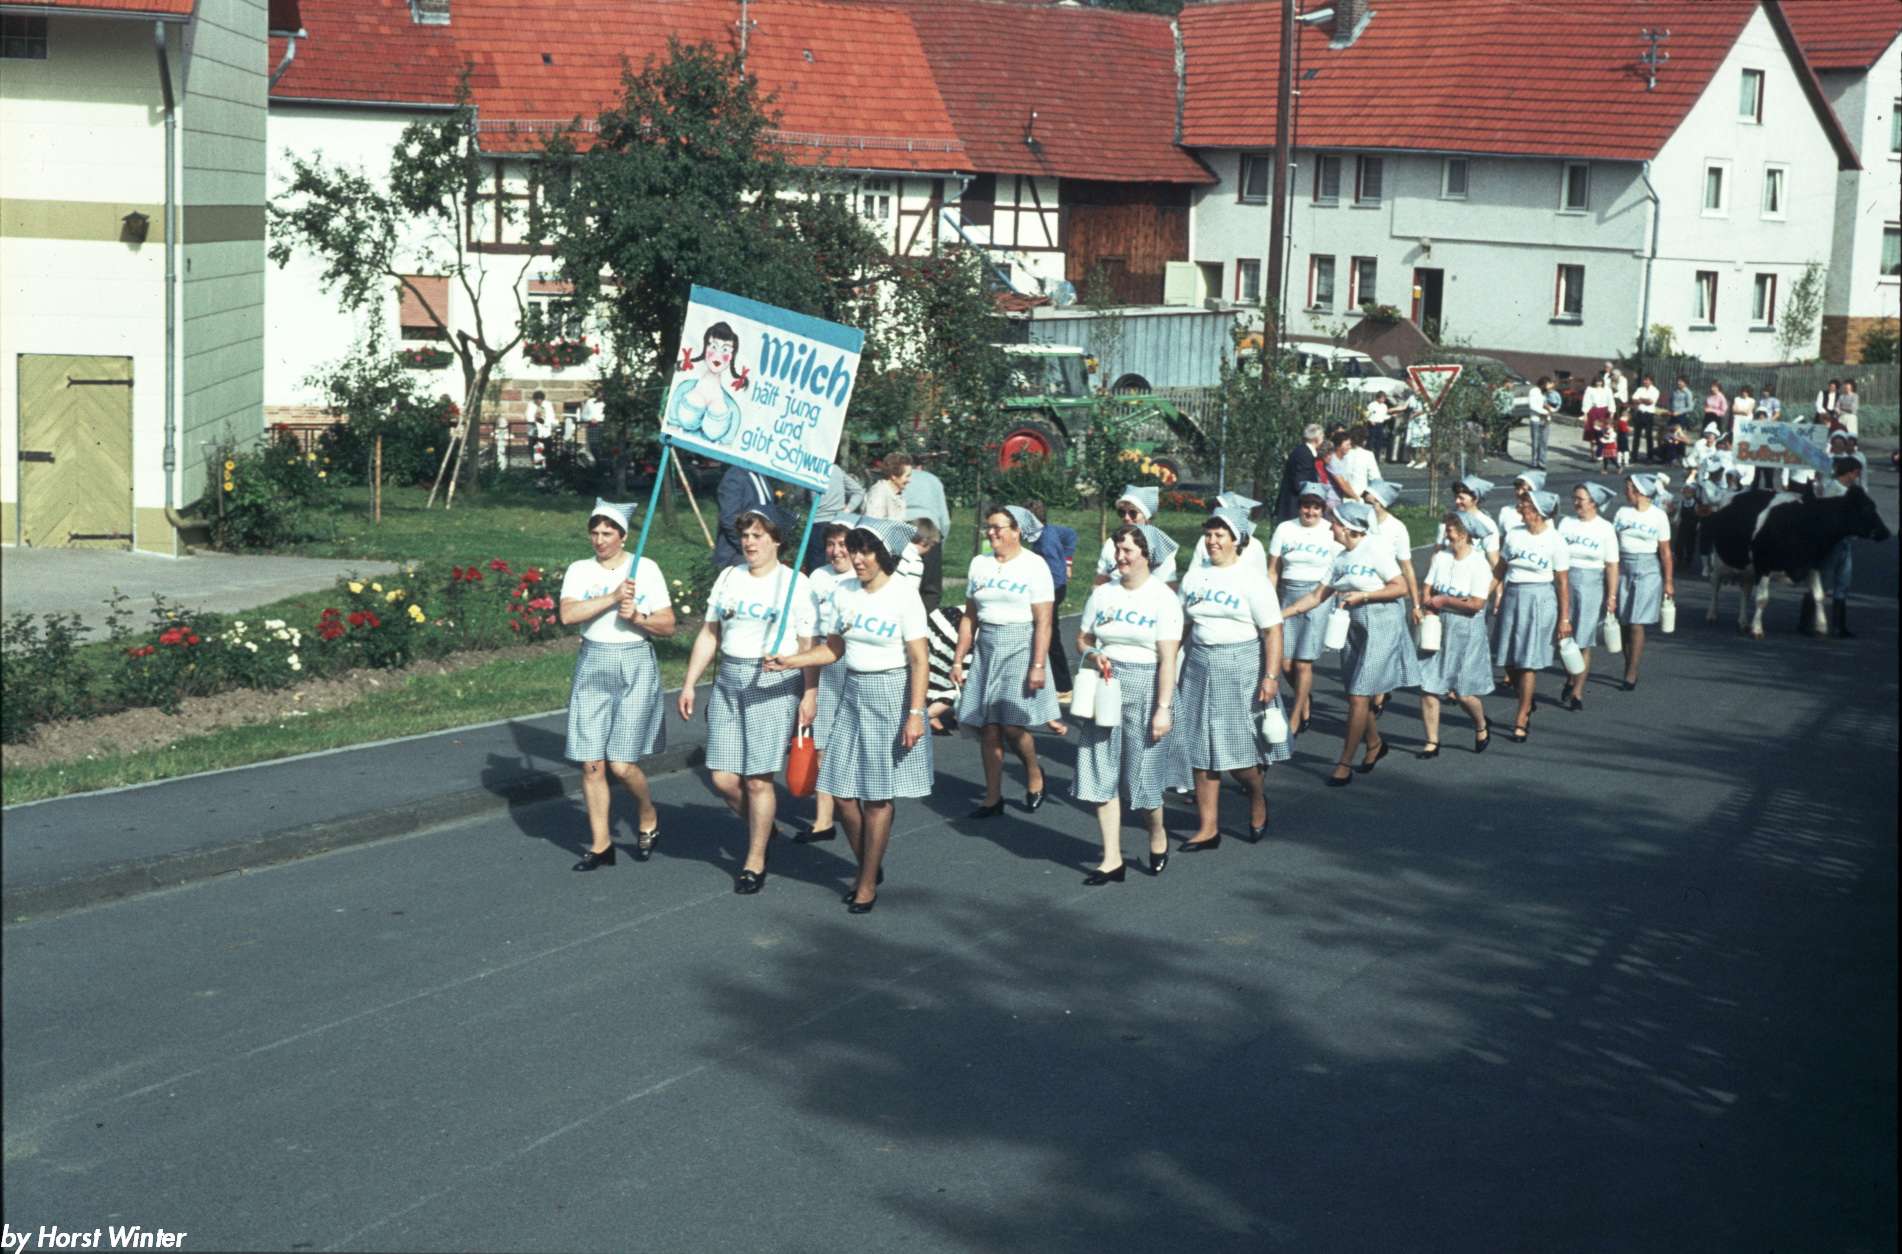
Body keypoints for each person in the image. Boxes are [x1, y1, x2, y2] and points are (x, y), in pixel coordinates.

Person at [764, 518, 932, 915]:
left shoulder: (904, 595)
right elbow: (834, 649)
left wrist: (915, 713)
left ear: (884, 555)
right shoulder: (844, 592)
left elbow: (919, 660)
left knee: (877, 797)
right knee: (841, 793)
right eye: (854, 550)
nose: (857, 558)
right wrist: (791, 661)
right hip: (853, 693)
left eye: (865, 551)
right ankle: (869, 862)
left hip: (891, 694)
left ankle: (866, 882)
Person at [676, 509, 818, 894]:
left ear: (777, 540)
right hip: (729, 679)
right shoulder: (729, 577)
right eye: (745, 535)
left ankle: (755, 859)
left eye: (758, 535)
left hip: (774, 680)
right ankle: (763, 825)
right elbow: (710, 634)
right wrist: (689, 684)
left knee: (757, 780)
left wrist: (810, 694)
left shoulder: (795, 583)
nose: (749, 542)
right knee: (723, 778)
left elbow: (808, 645)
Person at [559, 499, 677, 870]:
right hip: (593, 661)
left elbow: (668, 625)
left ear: (623, 536)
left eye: (607, 533)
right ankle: (601, 845)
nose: (600, 540)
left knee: (622, 765)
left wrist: (638, 617)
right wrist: (611, 598)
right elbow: (568, 614)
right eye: (594, 533)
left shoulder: (646, 568)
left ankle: (647, 813)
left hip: (634, 662)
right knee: (592, 764)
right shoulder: (580, 570)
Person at [1073, 524, 1183, 883]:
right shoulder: (1103, 594)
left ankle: (1157, 833)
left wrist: (1163, 708)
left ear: (1146, 556)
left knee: (1142, 780)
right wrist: (1092, 653)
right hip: (1106, 685)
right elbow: (1083, 638)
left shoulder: (1163, 598)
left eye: (1128, 551)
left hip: (1147, 686)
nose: (1120, 557)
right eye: (1117, 550)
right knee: (1101, 769)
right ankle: (1112, 858)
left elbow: (1168, 659)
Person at [1174, 507, 1285, 853]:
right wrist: (1166, 662)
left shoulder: (1251, 580)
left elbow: (1273, 630)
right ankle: (1208, 828)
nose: (1212, 541)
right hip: (1198, 665)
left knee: (1238, 753)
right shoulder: (1194, 577)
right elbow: (1182, 625)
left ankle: (1256, 795)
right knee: (1199, 748)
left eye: (1220, 535)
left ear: (1236, 540)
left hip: (1241, 665)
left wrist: (1271, 676)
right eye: (1208, 534)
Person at [1281, 501, 1414, 786]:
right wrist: (1280, 615)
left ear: (1348, 527)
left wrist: (1364, 596)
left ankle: (1344, 763)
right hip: (1352, 625)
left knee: (1358, 696)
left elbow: (1400, 587)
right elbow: (1315, 597)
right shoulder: (1340, 557)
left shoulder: (1375, 549)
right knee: (1356, 691)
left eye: (1335, 522)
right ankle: (1375, 743)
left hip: (1382, 623)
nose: (1330, 526)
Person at [952, 505, 1060, 818]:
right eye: (989, 527)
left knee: (1012, 726)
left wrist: (1038, 665)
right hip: (987, 646)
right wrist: (958, 659)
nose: (991, 533)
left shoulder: (1034, 565)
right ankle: (992, 797)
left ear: (1017, 532)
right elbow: (970, 617)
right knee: (989, 727)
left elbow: (1044, 621)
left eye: (998, 527)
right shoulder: (979, 563)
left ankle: (1034, 772)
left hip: (1020, 645)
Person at [1489, 489, 1571, 741]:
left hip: (1540, 599)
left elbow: (1562, 582)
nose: (1519, 509)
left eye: (1524, 506)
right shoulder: (1515, 534)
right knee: (1507, 659)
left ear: (1537, 512)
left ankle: (1522, 716)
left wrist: (1564, 618)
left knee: (1527, 661)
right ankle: (1525, 698)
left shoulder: (1555, 540)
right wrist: (1483, 597)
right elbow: (1500, 570)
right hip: (1513, 596)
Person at [794, 519, 857, 844]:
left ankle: (857, 804)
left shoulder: (863, 577)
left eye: (843, 544)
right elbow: (809, 629)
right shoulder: (818, 577)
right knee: (822, 743)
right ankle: (823, 820)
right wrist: (810, 690)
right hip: (823, 659)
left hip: (856, 660)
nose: (836, 551)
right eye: (831, 544)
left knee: (855, 742)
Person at [1414, 511, 1495, 758]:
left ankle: (1481, 724)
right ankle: (1432, 741)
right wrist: (1425, 605)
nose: (1446, 534)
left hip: (1466, 627)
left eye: (1449, 529)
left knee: (1463, 692)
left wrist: (1446, 600)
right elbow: (1427, 586)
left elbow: (1476, 604)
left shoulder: (1479, 563)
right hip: (1437, 624)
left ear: (1463, 533)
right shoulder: (1441, 557)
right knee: (1428, 685)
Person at [1266, 483, 1344, 735]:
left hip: (1317, 596)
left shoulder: (1330, 532)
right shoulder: (1285, 529)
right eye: (1306, 506)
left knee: (1302, 663)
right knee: (1285, 662)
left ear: (1323, 508)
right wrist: (1269, 599)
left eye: (1316, 507)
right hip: (1288, 594)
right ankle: (1304, 697)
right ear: (1299, 506)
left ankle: (1296, 716)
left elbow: (1339, 568)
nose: (1310, 512)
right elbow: (1273, 569)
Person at [1557, 483, 1620, 711]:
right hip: (1564, 582)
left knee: (1583, 640)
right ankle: (1570, 676)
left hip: (1591, 585)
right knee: (1563, 637)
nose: (1575, 503)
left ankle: (1577, 692)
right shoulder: (1566, 523)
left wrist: (1611, 596)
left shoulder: (1605, 528)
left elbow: (1612, 565)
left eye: (1580, 499)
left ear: (1593, 502)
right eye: (1574, 498)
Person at [1364, 478, 1421, 716]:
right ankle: (1373, 689)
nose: (1366, 505)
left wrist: (1416, 604)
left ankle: (1378, 693)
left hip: (1389, 593)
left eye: (1371, 501)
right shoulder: (1361, 523)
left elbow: (1407, 567)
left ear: (1381, 503)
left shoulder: (1397, 528)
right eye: (1365, 501)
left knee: (1384, 649)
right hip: (1364, 592)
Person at [1613, 473, 1675, 691]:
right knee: (1623, 621)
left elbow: (1665, 552)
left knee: (1636, 622)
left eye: (1628, 488)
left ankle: (1632, 671)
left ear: (1639, 491)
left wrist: (1668, 582)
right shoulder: (1622, 512)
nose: (1625, 492)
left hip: (1648, 569)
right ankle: (1628, 662)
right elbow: (1612, 543)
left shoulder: (1658, 516)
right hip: (1623, 566)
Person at [1026, 498, 1078, 700]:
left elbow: (1054, 574)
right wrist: (1068, 562)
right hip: (1054, 586)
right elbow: (1071, 534)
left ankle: (1064, 687)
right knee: (1043, 633)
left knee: (1050, 635)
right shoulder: (1050, 530)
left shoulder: (1045, 541)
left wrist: (1047, 591)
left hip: (1053, 590)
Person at [1817, 452, 1868, 637]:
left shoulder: (1848, 490)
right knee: (1823, 583)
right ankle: (1810, 621)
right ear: (1850, 472)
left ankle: (1839, 626)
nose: (1857, 477)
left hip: (1845, 541)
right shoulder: (1833, 489)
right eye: (1856, 474)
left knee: (1843, 582)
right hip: (1831, 542)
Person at [1093, 484, 1179, 586]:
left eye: (1133, 513)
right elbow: (1102, 578)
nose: (1126, 518)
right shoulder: (1111, 543)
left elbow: (1168, 585)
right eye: (1122, 512)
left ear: (1146, 517)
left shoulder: (1158, 545)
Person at [714, 464, 779, 570]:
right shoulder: (735, 476)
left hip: (762, 552)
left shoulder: (760, 474)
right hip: (737, 555)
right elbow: (729, 519)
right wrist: (749, 546)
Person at [903, 464, 950, 609]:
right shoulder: (933, 480)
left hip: (903, 526)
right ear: (921, 465)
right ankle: (926, 615)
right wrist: (939, 544)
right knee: (930, 586)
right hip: (930, 528)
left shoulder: (897, 477)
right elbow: (945, 519)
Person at [804, 463, 865, 571]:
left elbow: (802, 497)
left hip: (818, 524)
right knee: (840, 564)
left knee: (815, 569)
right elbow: (859, 491)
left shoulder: (810, 467)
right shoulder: (836, 469)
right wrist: (847, 510)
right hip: (838, 523)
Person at [1276, 423, 1332, 520]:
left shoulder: (1303, 451)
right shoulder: (1304, 454)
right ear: (1317, 438)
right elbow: (1300, 483)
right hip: (1293, 505)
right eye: (1322, 437)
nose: (1323, 440)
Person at [1443, 477, 1502, 556]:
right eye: (1456, 497)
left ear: (1475, 499)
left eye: (1461, 498)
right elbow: (1439, 548)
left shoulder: (1487, 524)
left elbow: (1493, 557)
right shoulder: (1450, 519)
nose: (1457, 501)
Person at [1327, 427, 1380, 502]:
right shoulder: (1368, 455)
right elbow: (1376, 479)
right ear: (1364, 441)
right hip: (1360, 496)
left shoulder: (1342, 453)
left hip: (1341, 496)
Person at [862, 452, 912, 521]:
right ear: (893, 476)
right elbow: (871, 524)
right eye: (907, 476)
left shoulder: (896, 493)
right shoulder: (878, 494)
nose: (910, 480)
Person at [1631, 374, 1661, 463]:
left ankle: (1649, 457)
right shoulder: (1640, 389)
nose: (1645, 381)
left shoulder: (1655, 391)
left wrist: (1640, 399)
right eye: (1644, 380)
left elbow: (1650, 402)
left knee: (1649, 436)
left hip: (1649, 414)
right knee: (1636, 436)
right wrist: (1644, 400)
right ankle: (1634, 457)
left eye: (1647, 380)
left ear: (1651, 381)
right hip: (1640, 413)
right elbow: (1633, 399)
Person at [1525, 377, 1551, 470]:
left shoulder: (1544, 393)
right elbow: (1533, 406)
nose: (1549, 386)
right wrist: (1545, 412)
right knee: (1535, 442)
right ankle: (1534, 462)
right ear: (1543, 384)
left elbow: (1545, 404)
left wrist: (1549, 410)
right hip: (1536, 419)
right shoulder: (1534, 391)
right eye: (1548, 384)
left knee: (1544, 442)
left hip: (1545, 420)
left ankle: (1542, 462)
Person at [1582, 373, 1612, 448]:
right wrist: (1585, 414)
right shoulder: (1590, 389)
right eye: (1597, 381)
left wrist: (1612, 413)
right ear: (1594, 382)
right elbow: (1586, 401)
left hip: (1604, 412)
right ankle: (1592, 451)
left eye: (1600, 381)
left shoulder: (1607, 390)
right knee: (1593, 431)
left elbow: (1611, 401)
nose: (1598, 383)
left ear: (1602, 382)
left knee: (1603, 432)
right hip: (1593, 412)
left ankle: (1600, 451)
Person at [1402, 395, 1431, 470]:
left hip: (1422, 422)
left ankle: (1423, 461)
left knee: (1421, 442)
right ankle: (1413, 459)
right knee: (1409, 442)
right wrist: (1391, 410)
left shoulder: (1425, 396)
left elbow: (1426, 409)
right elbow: (1404, 407)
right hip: (1412, 422)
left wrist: (1415, 415)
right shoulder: (1411, 397)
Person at [1363, 392, 1393, 460]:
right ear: (1378, 398)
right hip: (1372, 424)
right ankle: (1367, 458)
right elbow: (1367, 414)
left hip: (1380, 425)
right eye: (1382, 398)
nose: (1384, 399)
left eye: (1384, 398)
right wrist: (1370, 420)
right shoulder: (1372, 405)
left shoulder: (1384, 406)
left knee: (1379, 442)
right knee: (1370, 441)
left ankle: (1376, 458)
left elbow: (1384, 416)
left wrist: (1391, 416)